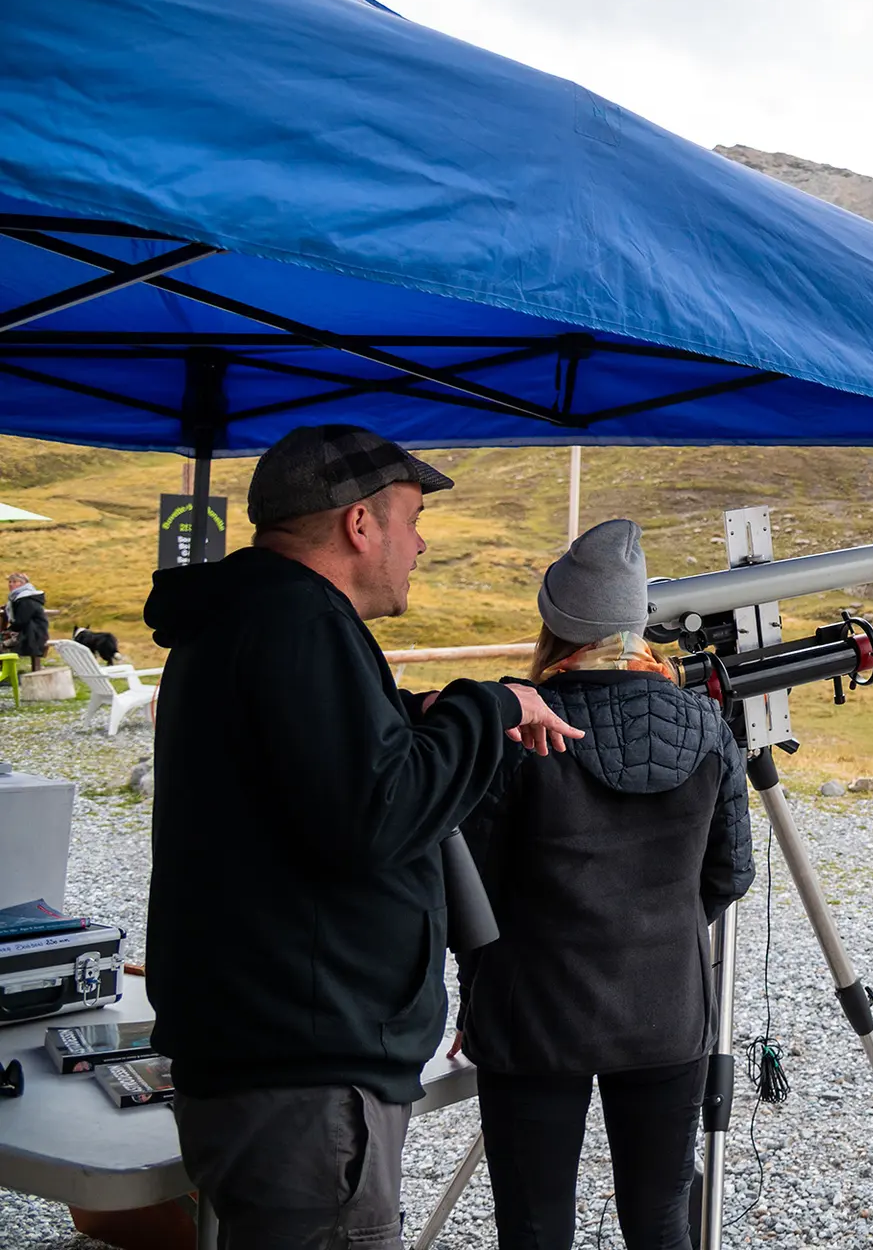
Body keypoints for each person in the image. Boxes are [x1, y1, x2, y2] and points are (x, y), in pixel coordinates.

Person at [143, 425, 583, 1250]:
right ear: (358, 525)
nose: (419, 544)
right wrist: (486, 706)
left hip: (267, 1056)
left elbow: (315, 772)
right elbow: (377, 816)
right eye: (412, 520)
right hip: (306, 1077)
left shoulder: (245, 618)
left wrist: (407, 718)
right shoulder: (298, 623)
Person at [456, 519, 755, 1250]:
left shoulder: (520, 730)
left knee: (533, 1225)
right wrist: (659, 930)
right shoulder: (709, 726)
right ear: (636, 618)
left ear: (556, 622)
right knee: (659, 1222)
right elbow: (730, 873)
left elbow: (471, 894)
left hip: (533, 1015)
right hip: (666, 1011)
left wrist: (478, 992)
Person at [3, 571, 49, 670]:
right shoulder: (19, 598)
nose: (11, 584)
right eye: (10, 582)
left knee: (2, 642)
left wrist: (8, 630)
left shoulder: (26, 599)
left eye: (15, 582)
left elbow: (21, 621)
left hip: (33, 634)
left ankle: (6, 673)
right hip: (29, 631)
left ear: (23, 583)